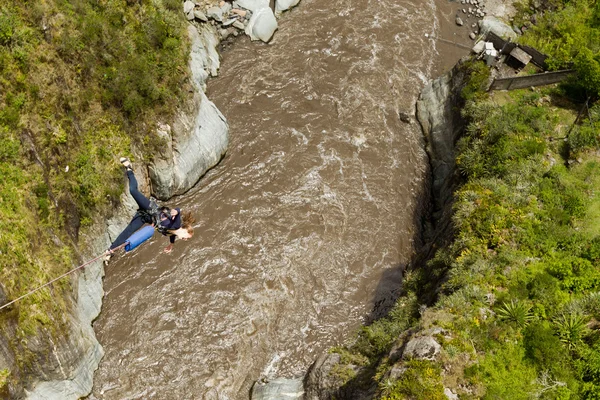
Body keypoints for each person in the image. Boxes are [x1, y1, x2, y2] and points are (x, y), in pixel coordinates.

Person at [104, 157, 195, 264]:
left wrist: (171, 245)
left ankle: (110, 251)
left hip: (145, 217)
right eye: (186, 237)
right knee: (133, 191)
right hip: (150, 208)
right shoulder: (177, 224)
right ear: (184, 230)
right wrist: (176, 210)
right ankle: (129, 169)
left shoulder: (172, 234)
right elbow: (178, 211)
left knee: (128, 231)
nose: (185, 240)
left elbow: (172, 238)